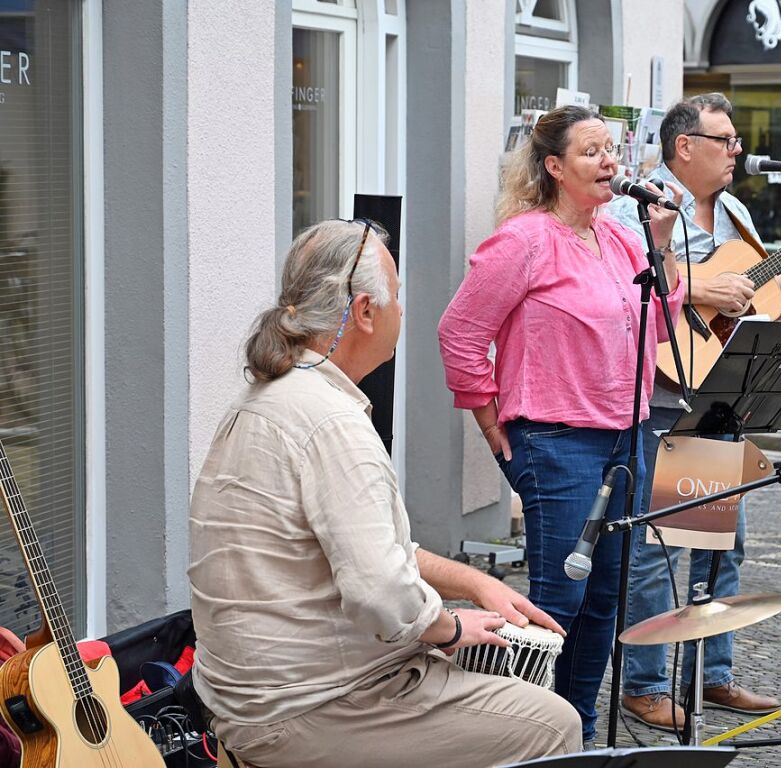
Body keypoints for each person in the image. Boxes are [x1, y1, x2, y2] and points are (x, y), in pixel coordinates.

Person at [188, 219, 582, 768]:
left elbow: (370, 549)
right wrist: (448, 630)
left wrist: (475, 582)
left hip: (250, 696)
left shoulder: (264, 397)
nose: (403, 311)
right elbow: (379, 591)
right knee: (553, 724)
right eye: (396, 296)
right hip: (308, 708)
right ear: (366, 312)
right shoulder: (331, 422)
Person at [607, 92, 781, 729]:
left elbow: (772, 297)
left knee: (721, 544)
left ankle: (710, 675)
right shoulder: (632, 203)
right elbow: (614, 281)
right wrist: (697, 285)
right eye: (726, 141)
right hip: (659, 395)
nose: (738, 152)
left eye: (738, 142)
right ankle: (642, 684)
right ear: (684, 147)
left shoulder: (737, 213)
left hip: (720, 396)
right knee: (656, 548)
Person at [438, 105, 685, 747]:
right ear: (554, 167)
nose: (611, 163)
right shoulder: (523, 239)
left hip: (627, 437)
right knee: (558, 599)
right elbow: (461, 333)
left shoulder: (624, 238)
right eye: (593, 152)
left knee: (606, 595)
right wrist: (491, 420)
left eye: (612, 150)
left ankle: (580, 730)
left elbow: (656, 332)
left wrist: (660, 248)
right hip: (555, 441)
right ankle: (531, 736)